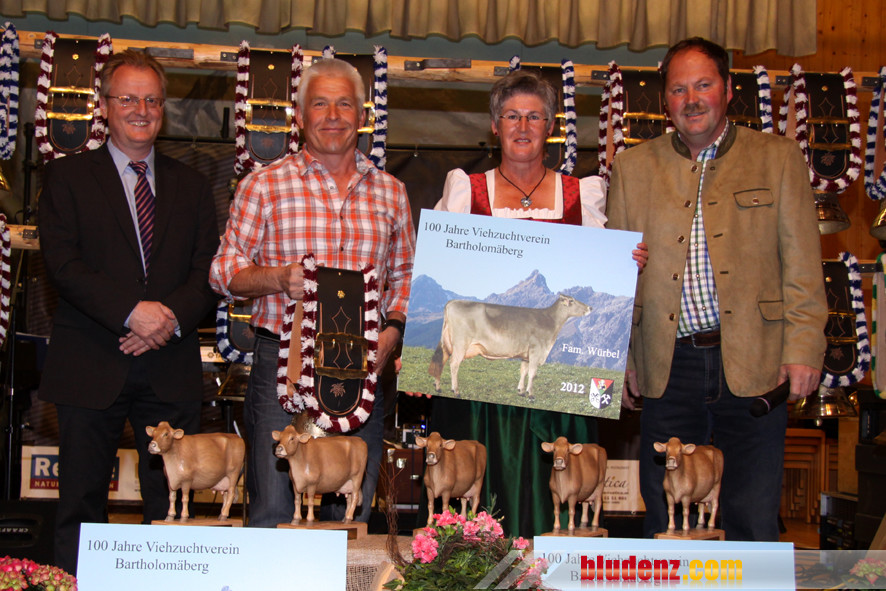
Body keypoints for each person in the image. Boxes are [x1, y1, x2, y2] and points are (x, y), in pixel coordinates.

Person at [605, 37, 828, 541]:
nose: (691, 99)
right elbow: (620, 279)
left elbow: (802, 266)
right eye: (678, 89)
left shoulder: (778, 158)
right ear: (665, 101)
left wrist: (803, 348)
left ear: (727, 90)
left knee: (751, 513)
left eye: (703, 85)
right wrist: (623, 357)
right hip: (667, 366)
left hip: (756, 360)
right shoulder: (631, 169)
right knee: (668, 519)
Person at [430, 69, 646, 537]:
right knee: (476, 487)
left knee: (562, 491)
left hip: (560, 391)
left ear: (551, 126)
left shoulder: (583, 194)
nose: (523, 126)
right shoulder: (465, 190)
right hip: (483, 398)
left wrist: (626, 263)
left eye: (534, 116)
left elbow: (599, 276)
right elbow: (445, 278)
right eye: (512, 116)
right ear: (495, 125)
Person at [210, 58, 415, 527]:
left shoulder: (392, 192)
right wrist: (277, 278)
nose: (333, 116)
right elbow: (223, 272)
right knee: (274, 508)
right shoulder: (263, 186)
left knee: (352, 512)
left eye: (345, 104)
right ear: (299, 117)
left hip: (362, 367)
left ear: (363, 116)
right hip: (282, 368)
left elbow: (406, 275)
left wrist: (393, 331)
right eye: (320, 104)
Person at [38, 50, 219, 573]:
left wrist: (166, 320)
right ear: (103, 106)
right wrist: (131, 313)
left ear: (163, 108)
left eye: (152, 100)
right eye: (128, 99)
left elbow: (208, 270)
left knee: (173, 507)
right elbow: (63, 264)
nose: (141, 110)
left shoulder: (193, 185)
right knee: (81, 503)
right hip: (90, 363)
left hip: (170, 366)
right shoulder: (66, 178)